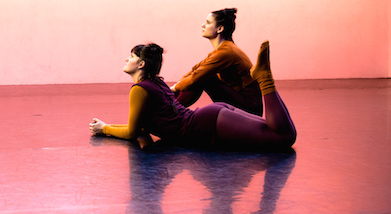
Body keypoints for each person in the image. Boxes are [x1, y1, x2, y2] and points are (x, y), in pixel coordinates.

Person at [89, 41, 296, 151]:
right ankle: (264, 78)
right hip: (211, 115)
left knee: (282, 138)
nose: (127, 58)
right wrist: (106, 126)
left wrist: (105, 128)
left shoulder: (139, 90)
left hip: (206, 124)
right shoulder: (157, 83)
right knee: (281, 132)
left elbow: (133, 132)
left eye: (132, 56)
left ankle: (264, 79)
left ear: (141, 65)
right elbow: (137, 127)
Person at [171, 8, 263, 116]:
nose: (203, 25)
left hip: (250, 109)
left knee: (203, 78)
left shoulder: (227, 52)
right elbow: (195, 69)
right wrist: (173, 89)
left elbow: (195, 78)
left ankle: (170, 111)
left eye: (208, 23)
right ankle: (170, 107)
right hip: (242, 102)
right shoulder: (223, 50)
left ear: (220, 29)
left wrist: (173, 89)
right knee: (200, 75)